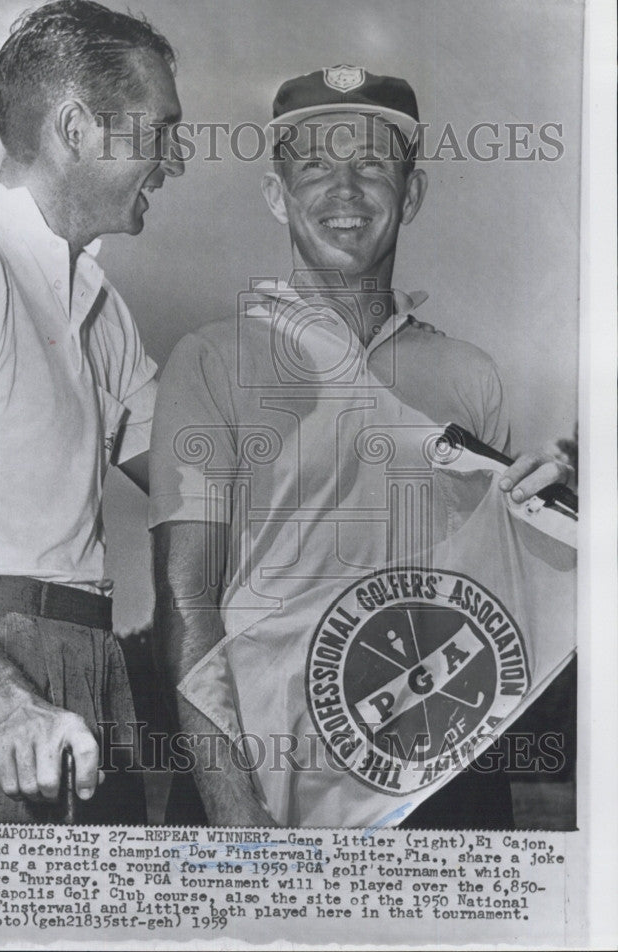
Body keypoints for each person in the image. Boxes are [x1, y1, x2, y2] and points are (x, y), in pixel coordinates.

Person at [149, 65, 573, 828]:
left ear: (411, 194)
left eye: (373, 164)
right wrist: (229, 803)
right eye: (314, 165)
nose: (344, 191)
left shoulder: (470, 374)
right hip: (267, 778)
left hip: (438, 770)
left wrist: (568, 513)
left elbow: (496, 595)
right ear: (276, 194)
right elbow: (187, 600)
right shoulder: (211, 357)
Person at [0, 0, 184, 824]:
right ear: (76, 128)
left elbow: (206, 477)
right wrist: (3, 700)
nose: (173, 161)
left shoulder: (98, 301)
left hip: (89, 669)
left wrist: (463, 478)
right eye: (158, 131)